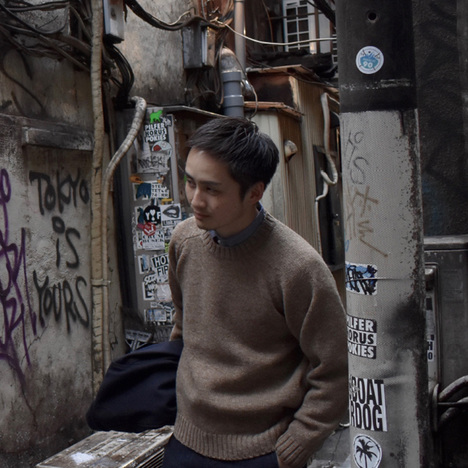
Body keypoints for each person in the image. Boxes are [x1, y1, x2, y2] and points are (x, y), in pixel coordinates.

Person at [162, 117, 348, 468]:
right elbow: (183, 326)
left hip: (263, 451)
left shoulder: (297, 267)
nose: (195, 200)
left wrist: (299, 441)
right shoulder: (184, 241)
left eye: (212, 189)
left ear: (254, 193)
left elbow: (336, 365)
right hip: (185, 442)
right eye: (190, 182)